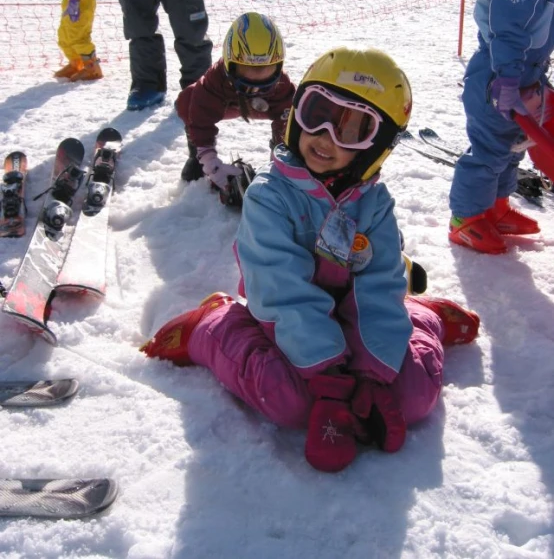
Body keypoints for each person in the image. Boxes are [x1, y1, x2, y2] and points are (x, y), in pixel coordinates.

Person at [143, 47, 480, 473]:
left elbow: (377, 284)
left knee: (413, 399)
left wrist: (373, 374)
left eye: (353, 128)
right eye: (316, 113)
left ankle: (420, 319)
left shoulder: (373, 205)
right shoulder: (270, 195)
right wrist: (327, 379)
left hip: (349, 316)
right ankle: (211, 327)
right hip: (278, 319)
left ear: (377, 145)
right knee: (289, 403)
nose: (325, 136)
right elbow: (281, 291)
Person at [449, 0, 554, 255]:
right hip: (495, 82)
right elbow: (506, 30)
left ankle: (495, 207)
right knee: (489, 152)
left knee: (513, 148)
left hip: (526, 79)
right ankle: (465, 218)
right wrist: (508, 79)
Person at [175, 12, 295, 189]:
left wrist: (280, 162)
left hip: (263, 106)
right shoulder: (215, 79)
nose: (258, 78)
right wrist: (210, 161)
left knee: (296, 110)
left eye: (266, 69)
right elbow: (201, 117)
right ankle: (196, 157)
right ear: (230, 63)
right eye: (249, 68)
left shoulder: (282, 85)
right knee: (187, 99)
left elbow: (287, 120)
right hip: (228, 104)